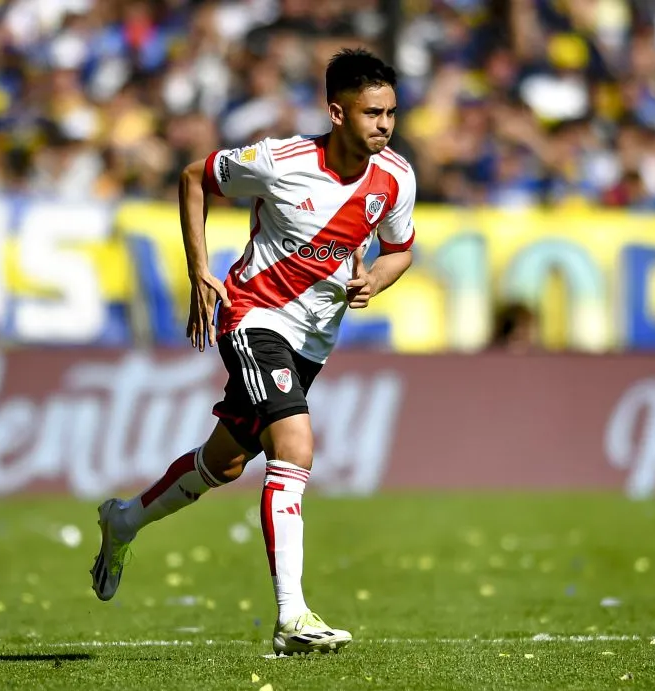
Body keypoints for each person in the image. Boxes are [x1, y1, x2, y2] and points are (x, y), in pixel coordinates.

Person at [90, 48, 417, 656]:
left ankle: (124, 519)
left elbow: (401, 249)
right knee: (294, 445)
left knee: (227, 463)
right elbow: (194, 177)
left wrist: (376, 277)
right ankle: (292, 616)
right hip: (252, 316)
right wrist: (197, 270)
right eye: (373, 112)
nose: (384, 125)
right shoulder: (281, 160)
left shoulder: (396, 176)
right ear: (336, 111)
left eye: (392, 113)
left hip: (313, 340)